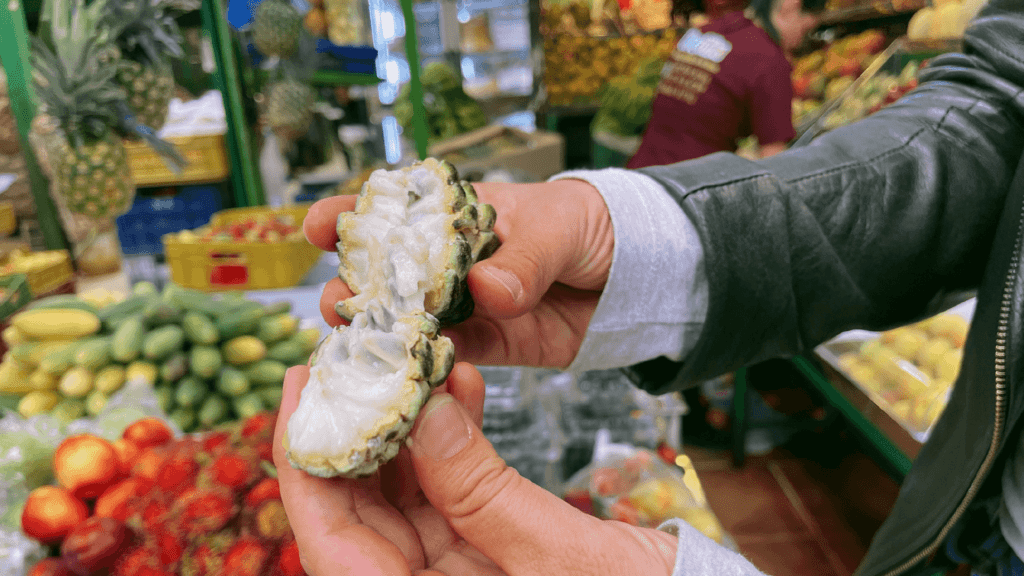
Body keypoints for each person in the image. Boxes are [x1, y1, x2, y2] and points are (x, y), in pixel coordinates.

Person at [271, 0, 1024, 573]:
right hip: (976, 520)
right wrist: (641, 236)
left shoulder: (711, 35)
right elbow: (993, 120)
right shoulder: (762, 58)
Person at [625, 0, 825, 169]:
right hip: (686, 189)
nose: (801, 41)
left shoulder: (706, 30)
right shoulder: (768, 59)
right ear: (791, 5)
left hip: (642, 173)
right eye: (807, 28)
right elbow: (774, 160)